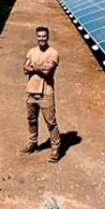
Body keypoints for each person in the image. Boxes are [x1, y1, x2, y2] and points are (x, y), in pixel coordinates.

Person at [20, 26, 61, 163]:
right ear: (36, 37)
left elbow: (47, 71)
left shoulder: (53, 53)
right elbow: (25, 68)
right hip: (31, 91)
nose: (41, 39)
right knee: (31, 120)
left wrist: (34, 67)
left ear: (48, 37)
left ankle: (55, 147)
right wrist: (39, 67)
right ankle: (33, 143)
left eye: (44, 36)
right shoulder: (31, 51)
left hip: (46, 92)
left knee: (50, 122)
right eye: (39, 36)